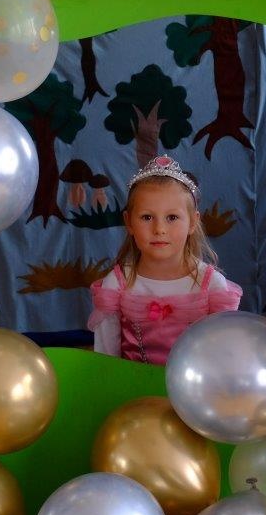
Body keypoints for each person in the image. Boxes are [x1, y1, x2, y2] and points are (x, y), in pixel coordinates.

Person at [89, 154, 242, 364]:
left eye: (172, 217)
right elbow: (106, 360)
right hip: (133, 384)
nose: (159, 229)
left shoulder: (213, 286)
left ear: (193, 222)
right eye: (147, 217)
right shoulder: (115, 285)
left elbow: (222, 357)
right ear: (129, 222)